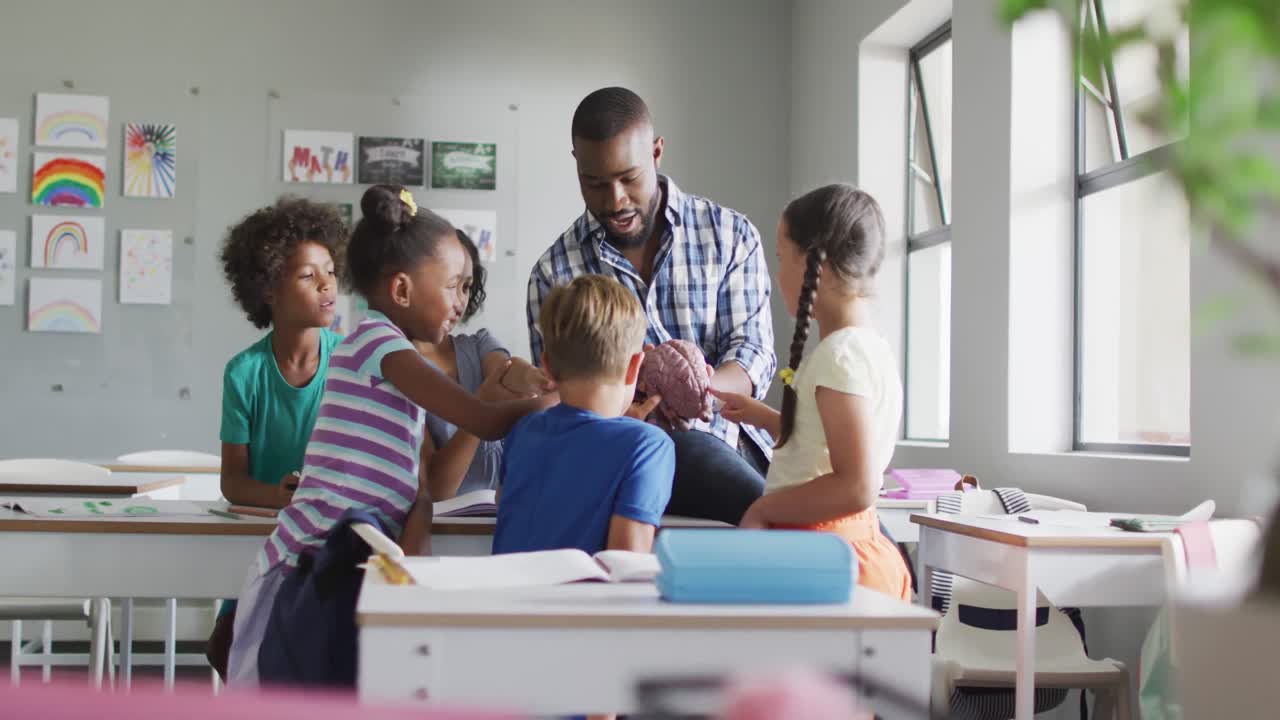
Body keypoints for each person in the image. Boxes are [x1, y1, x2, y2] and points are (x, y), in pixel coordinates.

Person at [226, 185, 549, 685]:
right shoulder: (381, 343)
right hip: (312, 562)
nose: (460, 303)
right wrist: (555, 400)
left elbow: (418, 486)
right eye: (451, 286)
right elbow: (482, 421)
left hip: (350, 556)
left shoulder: (385, 348)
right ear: (401, 291)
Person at [527, 86, 774, 525]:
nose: (615, 199)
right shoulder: (555, 274)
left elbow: (753, 357)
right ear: (577, 167)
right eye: (595, 183)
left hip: (730, 447)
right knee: (670, 447)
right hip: (617, 463)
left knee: (839, 508)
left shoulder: (730, 236)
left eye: (629, 177)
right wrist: (628, 413)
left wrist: (692, 393)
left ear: (657, 153)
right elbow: (562, 399)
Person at [713, 184, 911, 600]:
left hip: (827, 558)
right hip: (844, 547)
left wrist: (765, 508)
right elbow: (825, 441)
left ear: (809, 264)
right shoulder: (870, 348)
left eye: (782, 259)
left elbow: (857, 485)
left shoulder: (839, 358)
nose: (777, 273)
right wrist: (763, 416)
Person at [207, 197, 346, 679]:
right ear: (268, 288)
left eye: (330, 270)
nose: (327, 284)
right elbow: (233, 482)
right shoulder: (243, 373)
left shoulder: (351, 363)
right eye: (309, 275)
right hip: (257, 547)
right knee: (227, 649)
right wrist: (278, 496)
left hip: (329, 546)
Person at [496, 274, 674, 556]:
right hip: (581, 600)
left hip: (502, 596)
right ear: (635, 367)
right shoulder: (648, 445)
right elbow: (627, 559)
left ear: (548, 368)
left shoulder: (524, 431)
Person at [415, 229, 552, 500]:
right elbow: (436, 490)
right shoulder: (401, 369)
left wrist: (538, 380)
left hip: (498, 521)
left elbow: (508, 370)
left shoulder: (479, 344)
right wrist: (481, 409)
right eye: (451, 285)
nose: (460, 300)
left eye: (466, 287)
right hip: (447, 533)